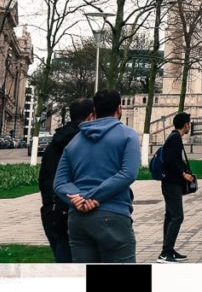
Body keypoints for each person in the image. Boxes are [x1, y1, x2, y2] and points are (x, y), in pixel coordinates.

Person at [53, 89, 141, 263]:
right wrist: (92, 197)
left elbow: (60, 182)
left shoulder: (75, 141)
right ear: (119, 108)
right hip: (113, 215)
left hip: (78, 218)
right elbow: (127, 174)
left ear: (94, 111)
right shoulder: (128, 134)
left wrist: (77, 199)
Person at [39, 98, 94, 263]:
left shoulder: (54, 143)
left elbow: (44, 178)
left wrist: (50, 204)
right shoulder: (86, 142)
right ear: (91, 117)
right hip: (78, 209)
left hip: (53, 210)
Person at [158, 112, 195, 263]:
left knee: (170, 216)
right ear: (185, 124)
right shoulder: (175, 139)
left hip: (170, 183)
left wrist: (183, 169)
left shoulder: (174, 137)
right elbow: (170, 161)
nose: (190, 125)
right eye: (189, 123)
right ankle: (166, 252)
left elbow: (174, 160)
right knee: (177, 216)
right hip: (171, 183)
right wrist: (183, 174)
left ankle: (168, 250)